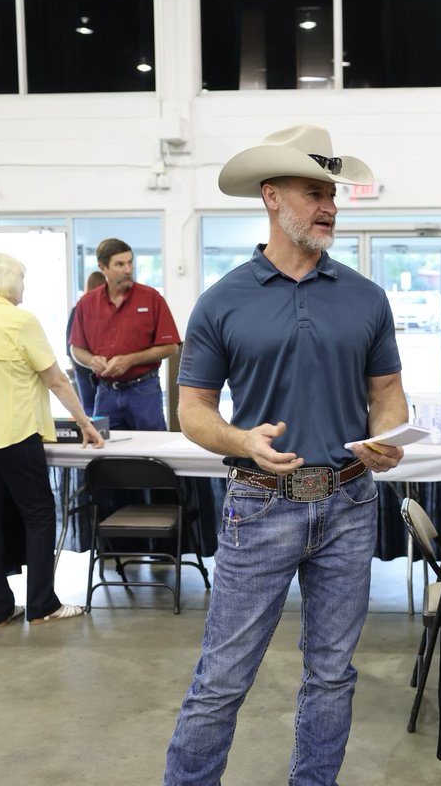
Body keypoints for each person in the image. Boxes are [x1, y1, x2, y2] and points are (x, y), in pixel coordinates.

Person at [164, 125, 409, 786]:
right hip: (260, 506)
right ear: (272, 197)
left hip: (352, 502)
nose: (329, 205)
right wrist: (242, 441)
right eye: (314, 192)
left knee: (332, 674)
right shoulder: (222, 302)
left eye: (333, 193)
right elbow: (193, 410)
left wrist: (387, 433)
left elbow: (387, 394)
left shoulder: (366, 297)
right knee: (223, 677)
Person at [0, 252, 105, 626]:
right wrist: (85, 422)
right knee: (38, 516)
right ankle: (42, 605)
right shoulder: (19, 321)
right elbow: (56, 379)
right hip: (14, 434)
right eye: (22, 279)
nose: (23, 286)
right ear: (9, 281)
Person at [69, 238, 181, 430]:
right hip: (105, 392)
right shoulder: (86, 303)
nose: (128, 269)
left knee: (153, 449)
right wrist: (91, 360)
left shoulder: (152, 298)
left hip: (144, 390)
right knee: (104, 450)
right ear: (102, 267)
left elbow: (171, 347)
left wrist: (130, 360)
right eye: (120, 264)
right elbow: (76, 349)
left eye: (130, 262)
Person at [67, 270, 107, 416]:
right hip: (101, 367)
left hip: (84, 369)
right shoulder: (82, 309)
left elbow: (69, 344)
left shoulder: (78, 309)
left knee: (88, 407)